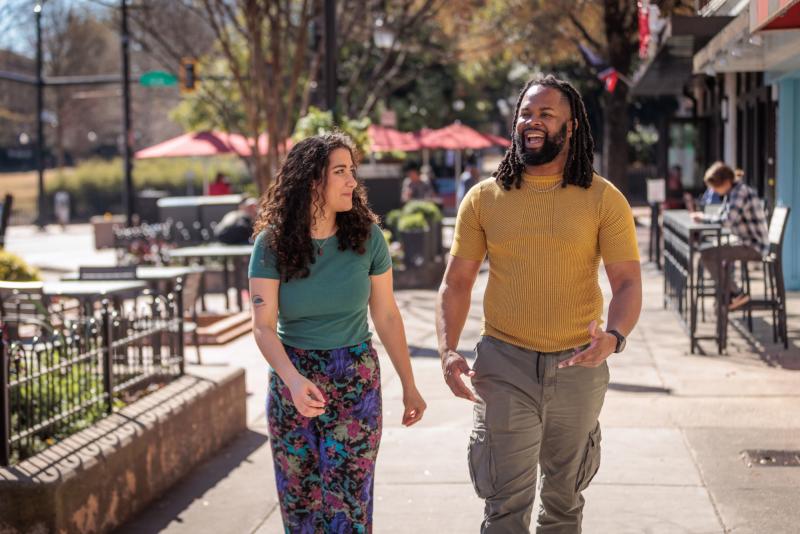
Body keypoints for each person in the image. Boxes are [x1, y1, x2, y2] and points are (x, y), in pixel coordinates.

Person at [435, 75, 642, 533]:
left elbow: (626, 282)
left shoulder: (604, 199)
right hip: (504, 363)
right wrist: (448, 351)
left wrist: (614, 338)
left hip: (579, 366)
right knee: (505, 506)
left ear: (571, 128)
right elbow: (456, 282)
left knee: (565, 504)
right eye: (526, 113)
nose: (533, 122)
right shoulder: (483, 199)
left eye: (547, 114)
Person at [248, 133, 426, 532]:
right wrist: (292, 381)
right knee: (302, 507)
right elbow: (262, 326)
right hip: (292, 378)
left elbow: (387, 315)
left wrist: (410, 385)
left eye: (352, 172)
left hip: (355, 378)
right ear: (313, 180)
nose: (352, 182)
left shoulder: (368, 238)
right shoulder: (271, 244)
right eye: (341, 172)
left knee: (348, 506)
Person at [690, 162, 769, 311]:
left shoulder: (740, 192)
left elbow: (727, 221)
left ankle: (735, 294)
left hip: (754, 246)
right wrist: (704, 216)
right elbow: (722, 215)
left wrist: (703, 218)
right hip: (744, 242)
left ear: (725, 182)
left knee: (707, 254)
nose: (714, 191)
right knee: (711, 252)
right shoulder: (733, 191)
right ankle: (727, 295)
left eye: (715, 187)